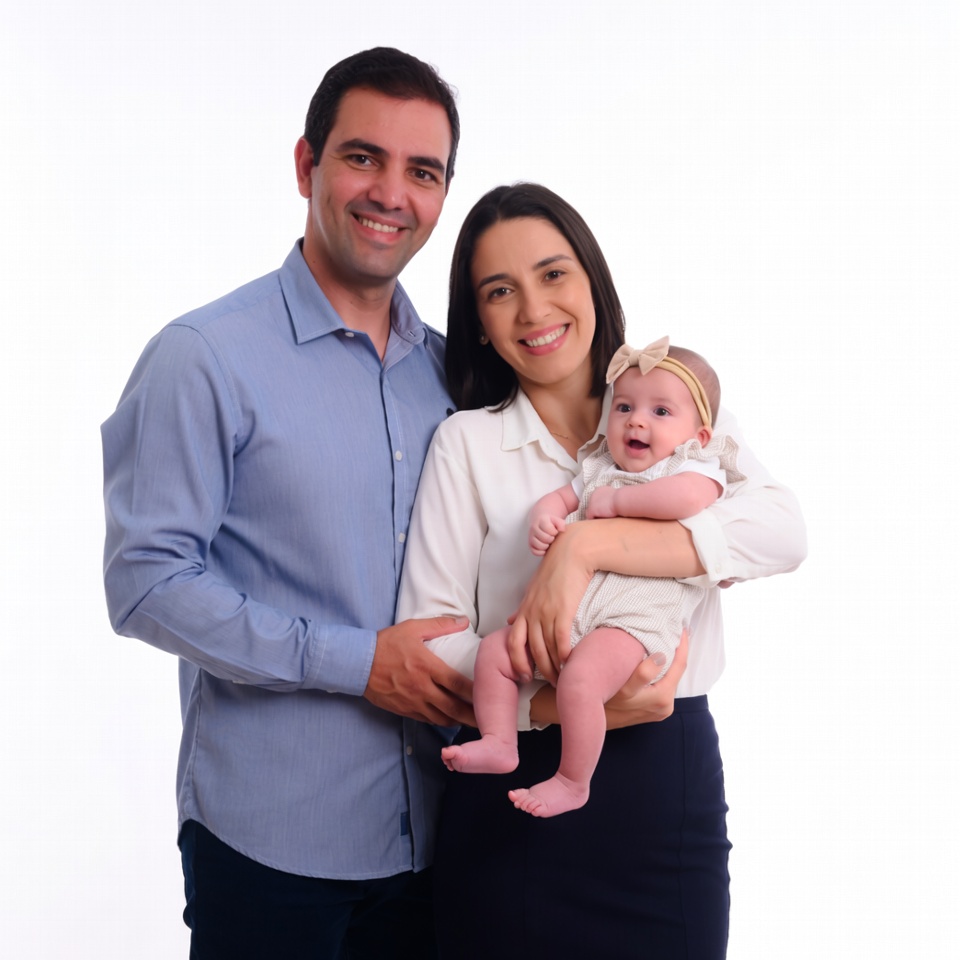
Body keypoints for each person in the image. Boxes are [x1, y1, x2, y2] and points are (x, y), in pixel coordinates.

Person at [101, 47, 480, 958]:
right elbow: (145, 583)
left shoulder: (454, 379)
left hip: (441, 840)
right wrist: (357, 663)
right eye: (363, 158)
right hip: (270, 849)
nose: (391, 193)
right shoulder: (205, 356)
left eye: (421, 172)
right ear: (307, 165)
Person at [396, 183, 807, 958]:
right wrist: (551, 705)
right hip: (512, 797)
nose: (533, 310)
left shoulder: (675, 406)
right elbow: (429, 640)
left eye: (553, 275)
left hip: (663, 791)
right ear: (478, 323)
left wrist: (588, 548)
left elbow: (783, 532)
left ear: (591, 280)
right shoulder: (467, 444)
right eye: (499, 291)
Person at [439, 336, 745, 819]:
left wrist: (619, 503)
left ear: (699, 434)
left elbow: (686, 502)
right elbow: (564, 498)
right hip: (570, 614)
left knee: (581, 681)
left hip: (632, 622)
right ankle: (499, 741)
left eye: (661, 412)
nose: (637, 420)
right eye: (624, 407)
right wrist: (545, 514)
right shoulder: (599, 466)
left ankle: (572, 780)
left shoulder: (695, 466)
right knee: (496, 652)